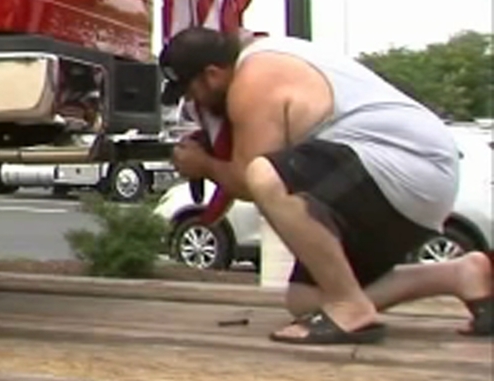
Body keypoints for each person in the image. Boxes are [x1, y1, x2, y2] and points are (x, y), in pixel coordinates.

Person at [159, 26, 493, 344]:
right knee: (305, 302)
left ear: (213, 74)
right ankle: (461, 275)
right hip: (417, 184)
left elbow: (249, 179)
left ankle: (351, 309)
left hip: (405, 165)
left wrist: (203, 165)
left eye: (191, 92)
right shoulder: (269, 56)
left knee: (264, 174)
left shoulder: (254, 77)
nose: (194, 103)